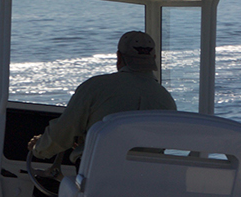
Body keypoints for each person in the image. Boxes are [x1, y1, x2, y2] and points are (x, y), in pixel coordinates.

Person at [28, 30, 176, 163]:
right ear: (154, 58)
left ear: (119, 57)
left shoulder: (96, 87)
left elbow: (62, 133)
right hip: (145, 186)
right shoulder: (167, 100)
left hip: (98, 180)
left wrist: (38, 148)